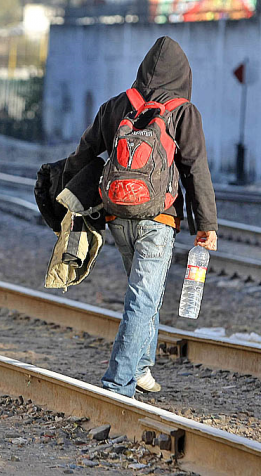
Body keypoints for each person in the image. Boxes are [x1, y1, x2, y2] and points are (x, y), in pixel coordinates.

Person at [62, 36, 218, 397]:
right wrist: (205, 225)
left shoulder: (118, 105)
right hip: (159, 219)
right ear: (183, 76)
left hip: (118, 217)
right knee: (143, 297)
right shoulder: (184, 112)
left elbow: (84, 153)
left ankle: (143, 367)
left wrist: (65, 190)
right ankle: (118, 384)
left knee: (145, 293)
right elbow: (197, 169)